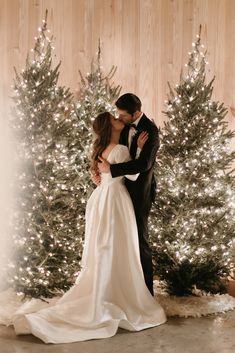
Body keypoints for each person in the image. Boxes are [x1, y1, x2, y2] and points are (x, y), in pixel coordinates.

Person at [13, 112, 166, 344]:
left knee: (103, 244)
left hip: (101, 197)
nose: (119, 119)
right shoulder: (121, 150)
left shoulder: (101, 147)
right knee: (119, 244)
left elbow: (101, 175)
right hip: (116, 199)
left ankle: (103, 287)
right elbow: (134, 175)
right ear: (111, 127)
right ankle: (118, 289)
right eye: (115, 119)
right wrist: (139, 151)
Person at [98, 93, 159, 296]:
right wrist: (98, 172)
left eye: (122, 115)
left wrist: (111, 170)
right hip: (119, 192)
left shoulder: (151, 131)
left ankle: (147, 294)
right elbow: (109, 147)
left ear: (135, 114)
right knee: (119, 241)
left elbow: (144, 164)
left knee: (140, 241)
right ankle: (123, 290)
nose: (119, 118)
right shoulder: (122, 127)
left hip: (139, 192)